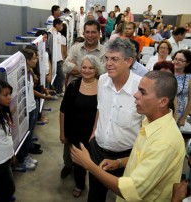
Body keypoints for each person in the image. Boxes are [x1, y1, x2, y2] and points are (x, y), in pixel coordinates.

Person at [71, 70, 185, 202]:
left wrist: (89, 165)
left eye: (143, 92)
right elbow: (143, 156)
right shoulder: (150, 122)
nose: (135, 95)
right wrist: (120, 162)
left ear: (162, 101)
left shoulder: (165, 142)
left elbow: (131, 190)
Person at [86, 38, 143, 202]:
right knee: (95, 193)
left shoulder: (140, 88)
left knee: (126, 196)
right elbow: (100, 109)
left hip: (126, 156)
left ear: (129, 61)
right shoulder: (103, 80)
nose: (108, 63)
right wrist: (93, 135)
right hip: (98, 150)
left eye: (114, 59)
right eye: (107, 58)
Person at [61, 20, 106, 179]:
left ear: (99, 33)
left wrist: (78, 68)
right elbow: (65, 67)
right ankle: (68, 164)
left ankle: (88, 168)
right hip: (75, 94)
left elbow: (105, 73)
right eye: (87, 32)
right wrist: (88, 71)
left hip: (93, 95)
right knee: (70, 136)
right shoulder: (75, 48)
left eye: (94, 32)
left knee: (89, 137)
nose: (90, 35)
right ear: (83, 33)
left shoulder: (104, 51)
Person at [60, 55, 103, 197]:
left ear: (96, 70)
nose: (87, 70)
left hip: (96, 133)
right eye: (84, 67)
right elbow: (63, 110)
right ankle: (80, 184)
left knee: (96, 163)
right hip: (76, 132)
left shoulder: (103, 86)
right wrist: (63, 133)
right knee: (78, 162)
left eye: (91, 68)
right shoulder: (73, 86)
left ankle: (96, 188)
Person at [14, 48, 39, 171]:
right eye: (34, 58)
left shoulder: (30, 73)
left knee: (28, 135)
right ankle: (22, 159)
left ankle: (26, 155)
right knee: (24, 136)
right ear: (27, 60)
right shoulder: (21, 75)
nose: (37, 60)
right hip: (26, 109)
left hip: (32, 107)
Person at [172, 49, 191, 127]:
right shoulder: (168, 72)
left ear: (188, 63)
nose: (176, 61)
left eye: (180, 60)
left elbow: (190, 100)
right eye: (175, 59)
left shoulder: (189, 77)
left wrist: (184, 118)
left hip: (179, 114)